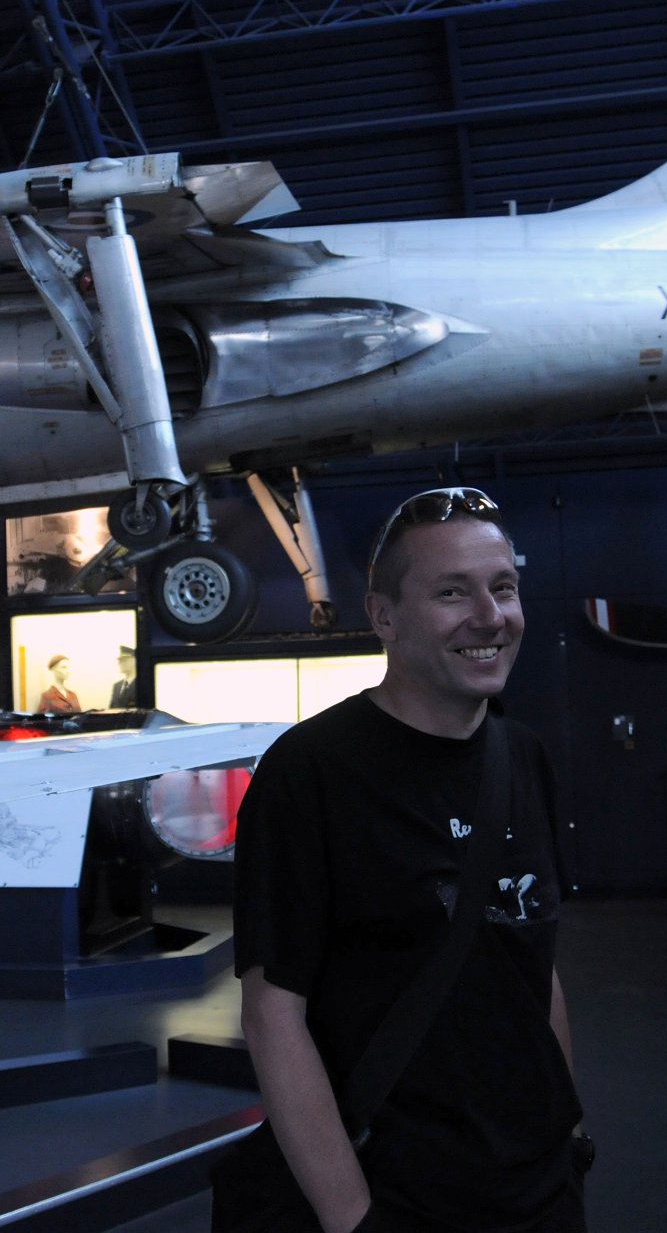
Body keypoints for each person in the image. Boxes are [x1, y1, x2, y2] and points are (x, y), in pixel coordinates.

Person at [232, 487, 587, 1233]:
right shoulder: (312, 772)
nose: (490, 617)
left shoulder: (521, 755)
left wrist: (570, 1129)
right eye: (452, 593)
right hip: (394, 1190)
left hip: (539, 1185)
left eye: (504, 588)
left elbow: (532, 958)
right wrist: (351, 1216)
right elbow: (274, 1014)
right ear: (384, 616)